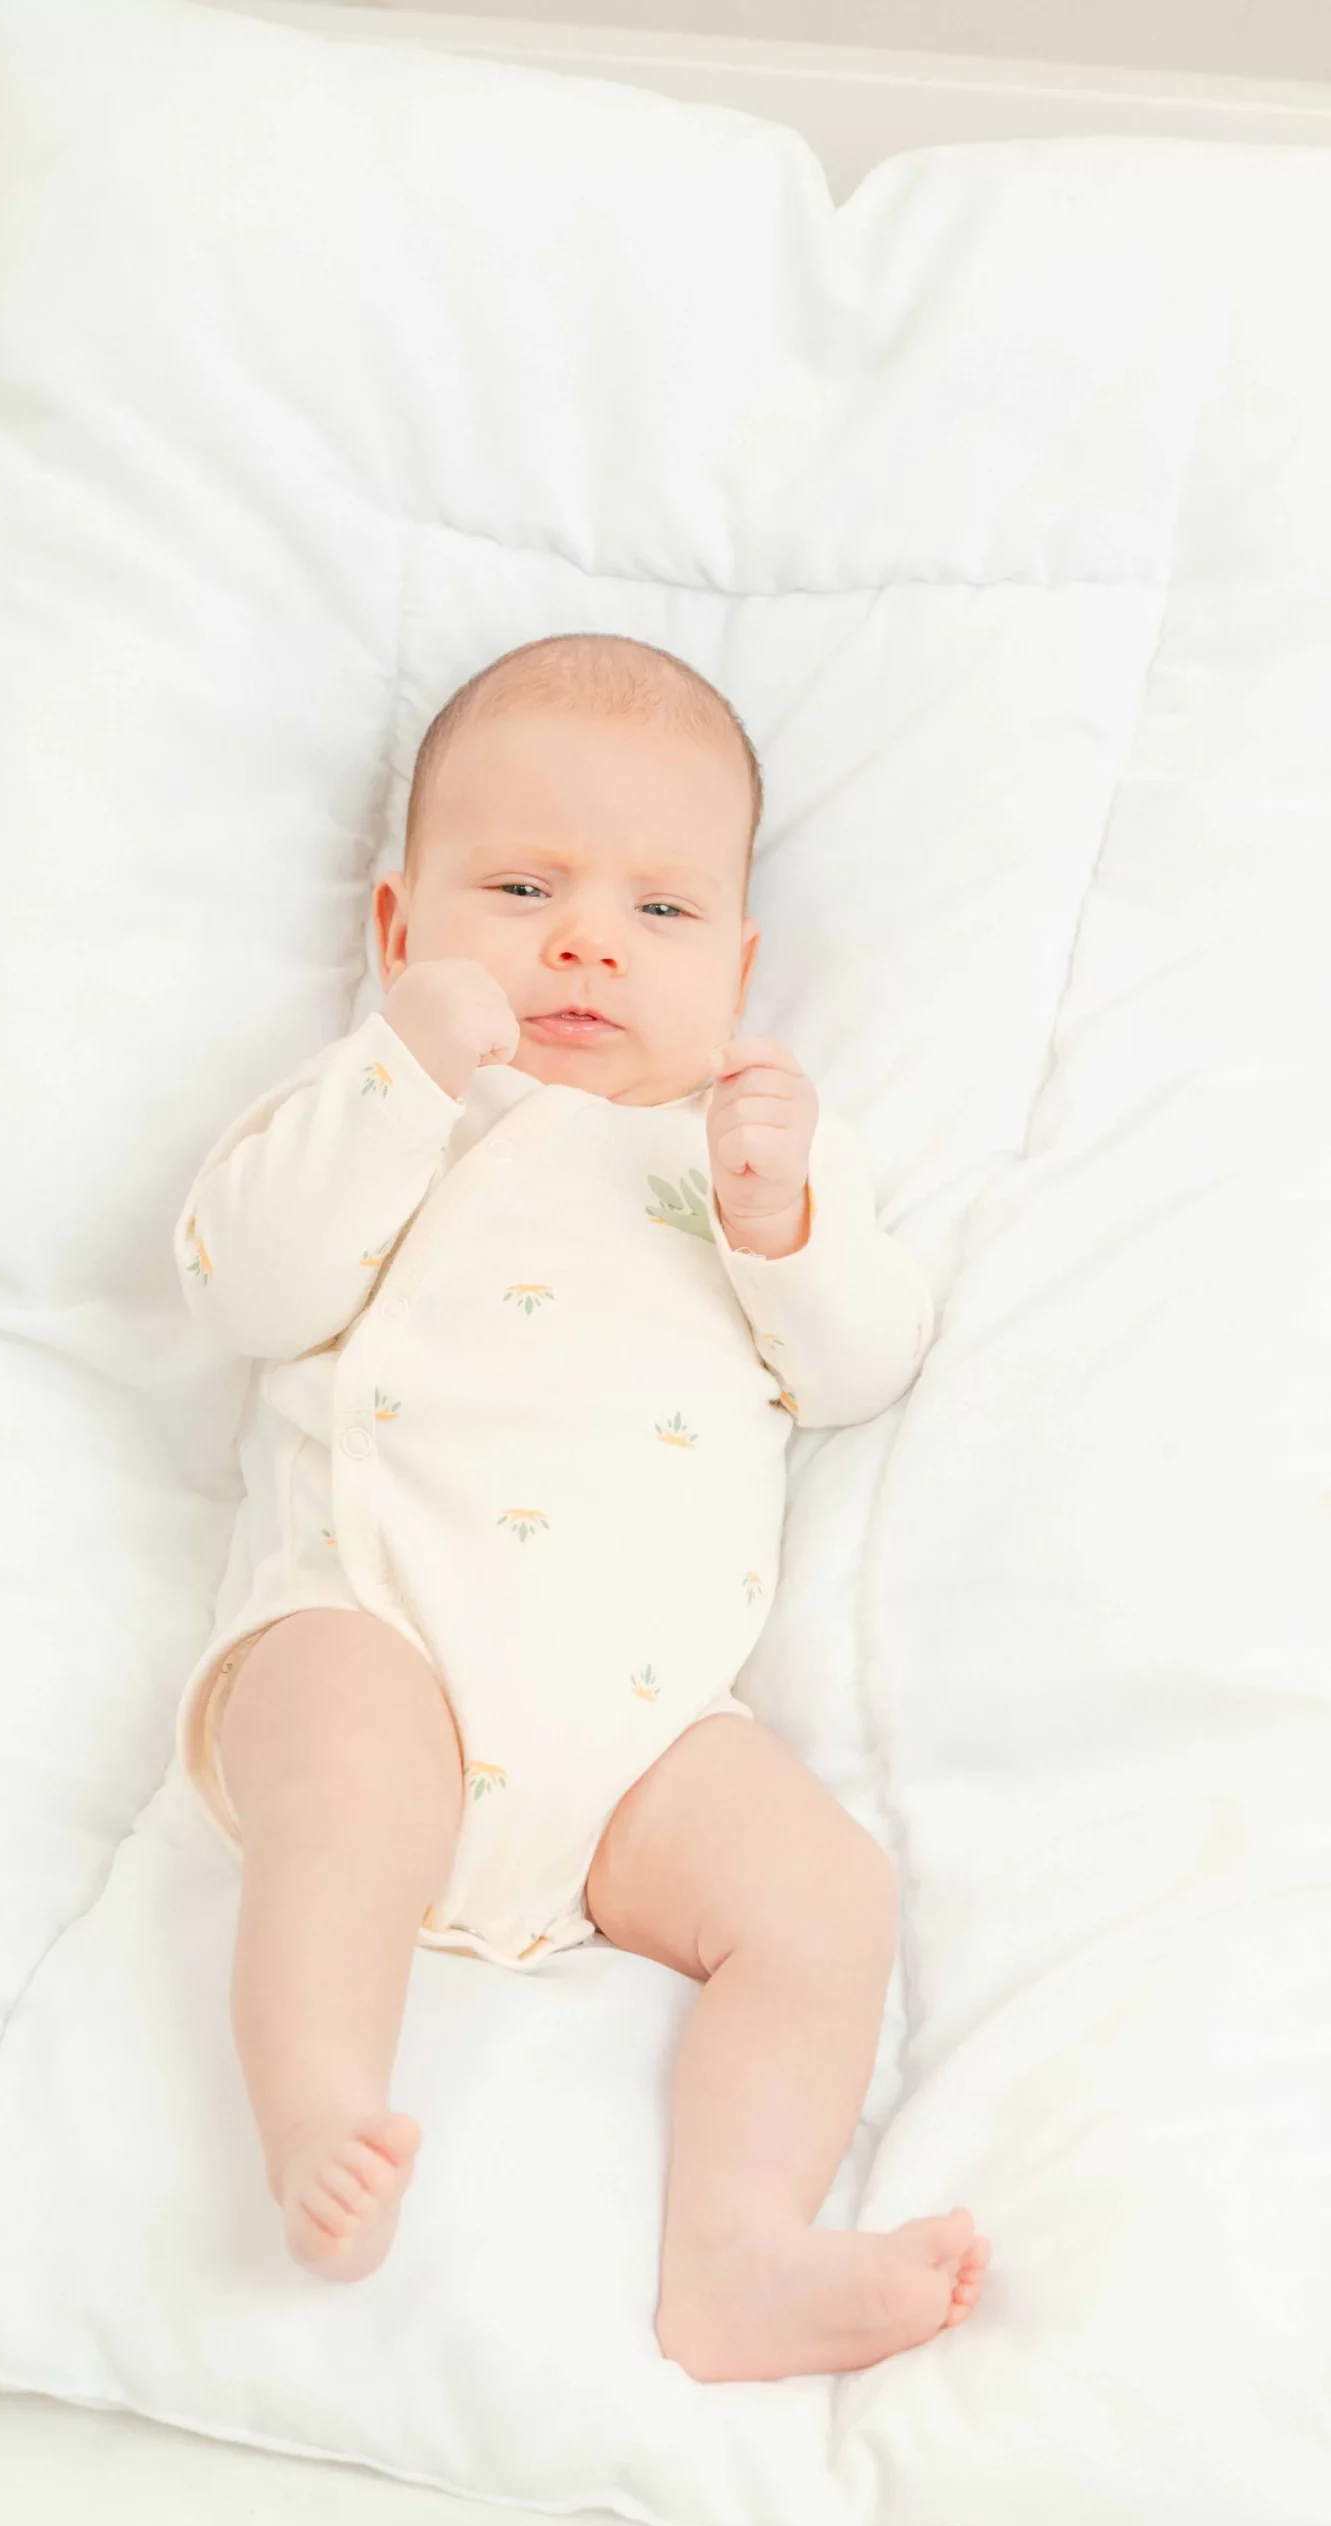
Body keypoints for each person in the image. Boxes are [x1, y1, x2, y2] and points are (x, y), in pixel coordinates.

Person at [171, 630, 991, 2381]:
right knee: (342, 1791)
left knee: (824, 1898)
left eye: (660, 910)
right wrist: (399, 1070)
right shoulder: (383, 1112)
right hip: (376, 1621)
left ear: (738, 964)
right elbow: (245, 1290)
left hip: (636, 1736)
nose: (586, 943)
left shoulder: (749, 1157)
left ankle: (738, 2251)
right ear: (398, 926)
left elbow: (859, 1369)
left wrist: (781, 1224)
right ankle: (319, 2113)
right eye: (521, 889)